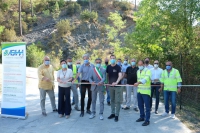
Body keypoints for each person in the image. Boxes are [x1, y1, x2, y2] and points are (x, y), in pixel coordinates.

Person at [134, 60, 151, 126]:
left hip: (146, 92)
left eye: (141, 64)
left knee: (147, 107)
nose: (140, 66)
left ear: (143, 64)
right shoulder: (138, 71)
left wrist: (138, 83)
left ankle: (147, 120)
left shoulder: (148, 71)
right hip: (139, 91)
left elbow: (146, 79)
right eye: (139, 65)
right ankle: (142, 117)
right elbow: (138, 79)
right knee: (140, 105)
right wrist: (137, 83)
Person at [107, 55, 123, 122]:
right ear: (110, 59)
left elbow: (120, 75)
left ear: (115, 59)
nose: (112, 59)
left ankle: (117, 115)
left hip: (117, 87)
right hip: (111, 86)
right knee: (112, 100)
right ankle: (112, 113)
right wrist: (107, 83)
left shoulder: (118, 67)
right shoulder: (108, 67)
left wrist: (116, 82)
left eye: (114, 58)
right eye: (111, 58)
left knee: (117, 101)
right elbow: (107, 75)